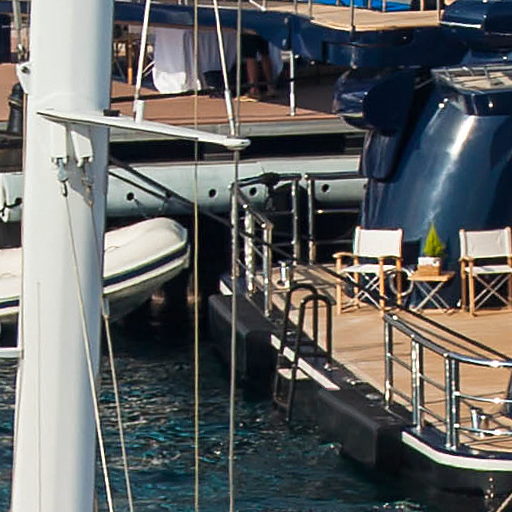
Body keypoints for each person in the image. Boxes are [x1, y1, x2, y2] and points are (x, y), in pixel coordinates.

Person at [240, 33, 277, 101]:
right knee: (264, 54)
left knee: (250, 57)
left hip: (249, 31)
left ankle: (253, 90)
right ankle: (270, 86)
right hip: (262, 31)